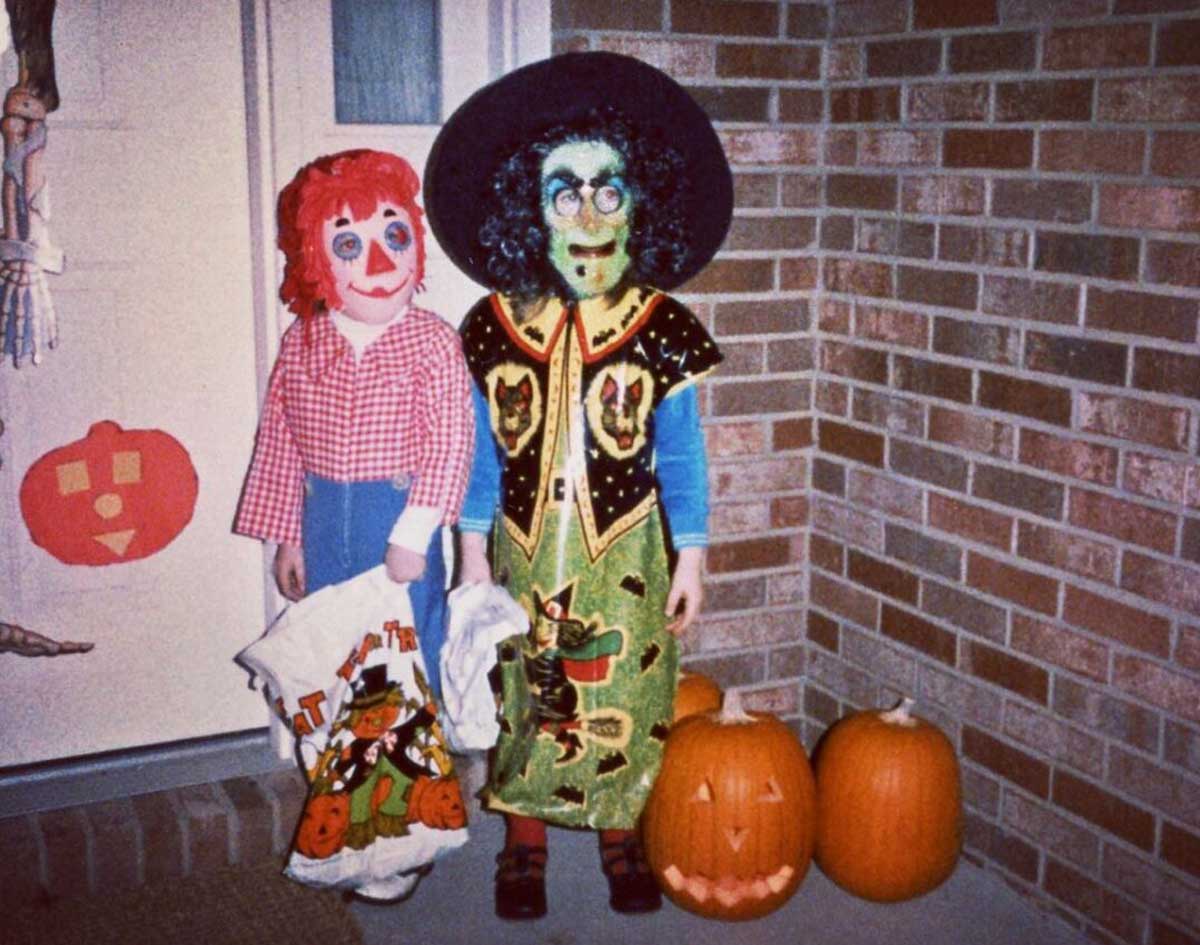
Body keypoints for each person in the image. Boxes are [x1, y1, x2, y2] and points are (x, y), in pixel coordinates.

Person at [424, 52, 732, 919]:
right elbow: (481, 451)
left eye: (610, 191)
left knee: (624, 694)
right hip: (524, 550)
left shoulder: (661, 326)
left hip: (628, 548)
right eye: (566, 193)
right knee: (529, 687)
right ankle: (524, 845)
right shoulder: (495, 325)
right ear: (534, 211)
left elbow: (681, 453)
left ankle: (618, 833)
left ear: (642, 205)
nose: (590, 214)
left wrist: (694, 556)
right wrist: (471, 554)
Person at [235, 149, 473, 701]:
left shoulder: (432, 340)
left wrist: (415, 534)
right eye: (349, 246)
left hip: (395, 519)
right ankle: (340, 776)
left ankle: (417, 777)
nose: (380, 263)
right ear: (316, 260)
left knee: (407, 645)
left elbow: (449, 443)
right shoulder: (304, 339)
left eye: (394, 238)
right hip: (321, 521)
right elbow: (280, 441)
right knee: (333, 649)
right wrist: (289, 540)